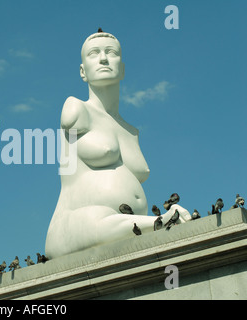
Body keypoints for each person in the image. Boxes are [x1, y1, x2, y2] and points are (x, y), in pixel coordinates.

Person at [45, 30, 190, 259]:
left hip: (127, 228)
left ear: (121, 69)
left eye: (110, 53)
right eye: (94, 53)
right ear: (83, 71)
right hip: (78, 225)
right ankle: (157, 222)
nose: (103, 58)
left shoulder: (131, 131)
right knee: (100, 219)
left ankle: (154, 223)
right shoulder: (76, 109)